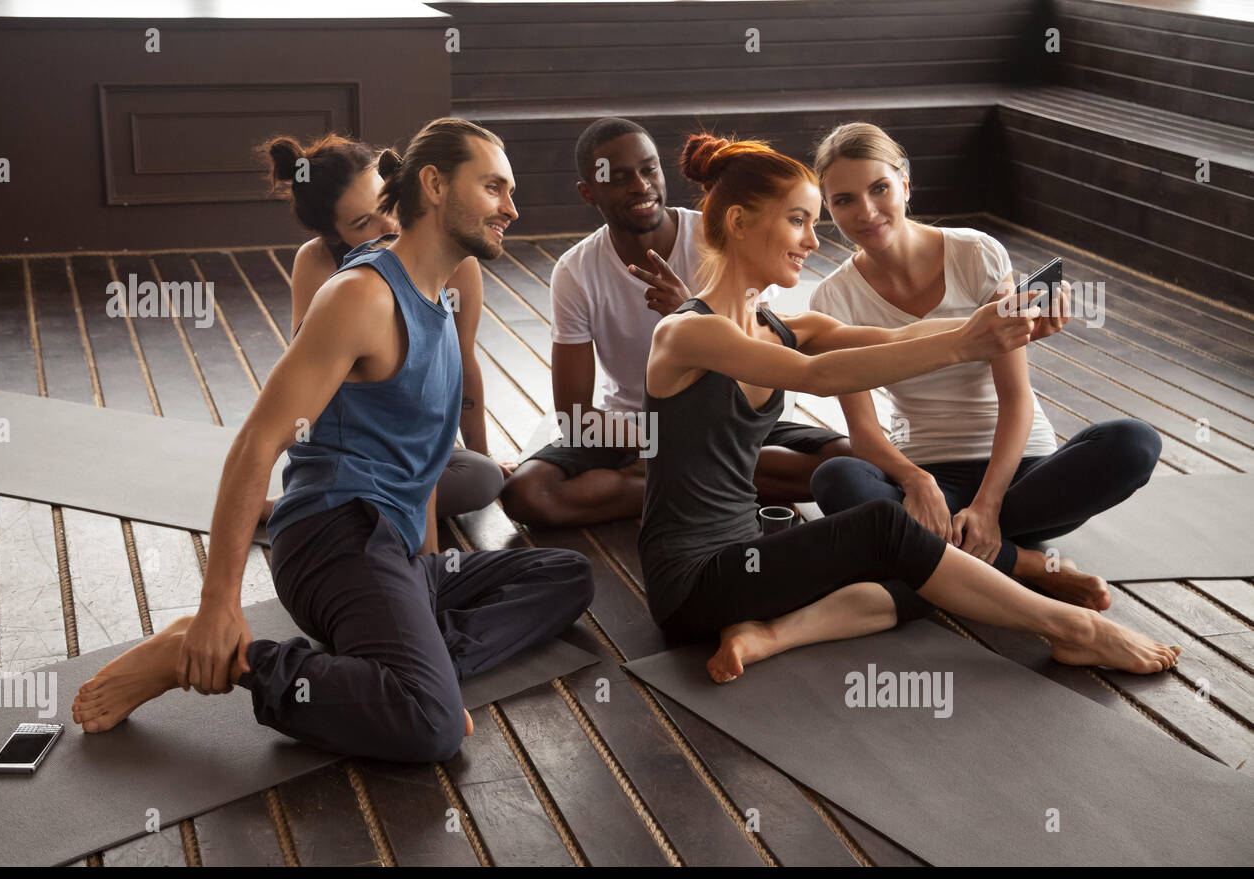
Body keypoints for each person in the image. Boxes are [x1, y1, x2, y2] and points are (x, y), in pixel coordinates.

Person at [72, 118, 595, 762]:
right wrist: (218, 609)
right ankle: (225, 659)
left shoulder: (443, 291)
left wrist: (425, 574)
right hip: (335, 538)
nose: (512, 208)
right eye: (493, 188)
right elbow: (257, 444)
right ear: (433, 185)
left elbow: (423, 463)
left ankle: (404, 666)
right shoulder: (360, 297)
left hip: (397, 551)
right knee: (430, 727)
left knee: (565, 575)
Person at [638, 132, 1180, 684]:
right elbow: (817, 377)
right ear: (738, 224)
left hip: (748, 558)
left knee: (921, 565)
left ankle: (767, 635)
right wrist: (966, 345)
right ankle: (1075, 628)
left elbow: (903, 335)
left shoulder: (785, 328)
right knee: (884, 527)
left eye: (814, 225)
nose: (812, 241)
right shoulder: (686, 333)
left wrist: (1004, 320)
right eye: (799, 221)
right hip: (691, 584)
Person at [807, 122, 1162, 610]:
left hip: (1024, 475)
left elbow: (1016, 398)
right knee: (837, 479)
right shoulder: (833, 297)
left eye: (880, 188)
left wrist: (990, 504)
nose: (866, 211)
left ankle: (936, 553)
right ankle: (1028, 566)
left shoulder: (975, 253)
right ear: (828, 208)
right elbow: (865, 436)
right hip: (934, 481)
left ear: (905, 183)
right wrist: (918, 482)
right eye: (844, 200)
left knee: (1134, 442)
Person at [500, 117, 850, 527]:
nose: (640, 185)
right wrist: (658, 446)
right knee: (529, 495)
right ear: (588, 192)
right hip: (633, 432)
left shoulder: (721, 238)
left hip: (726, 425)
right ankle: (692, 480)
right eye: (618, 177)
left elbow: (761, 369)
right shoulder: (576, 271)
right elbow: (574, 416)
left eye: (649, 169)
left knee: (845, 460)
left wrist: (691, 314)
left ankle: (675, 481)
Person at [259, 132, 507, 530]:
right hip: (348, 448)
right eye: (362, 223)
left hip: (411, 444)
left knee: (483, 476)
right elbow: (309, 389)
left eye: (385, 203)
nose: (388, 222)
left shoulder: (454, 258)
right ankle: (303, 503)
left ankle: (361, 503)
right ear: (334, 236)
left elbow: (463, 358)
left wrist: (481, 450)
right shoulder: (321, 264)